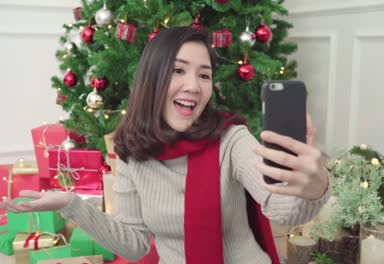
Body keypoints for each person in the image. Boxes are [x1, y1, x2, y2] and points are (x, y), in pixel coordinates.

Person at [0, 27, 330, 264]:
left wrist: (314, 186)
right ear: (153, 79)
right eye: (178, 71)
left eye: (204, 75)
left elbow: (280, 207)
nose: (194, 86)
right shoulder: (132, 153)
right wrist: (70, 203)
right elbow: (134, 246)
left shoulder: (232, 139)